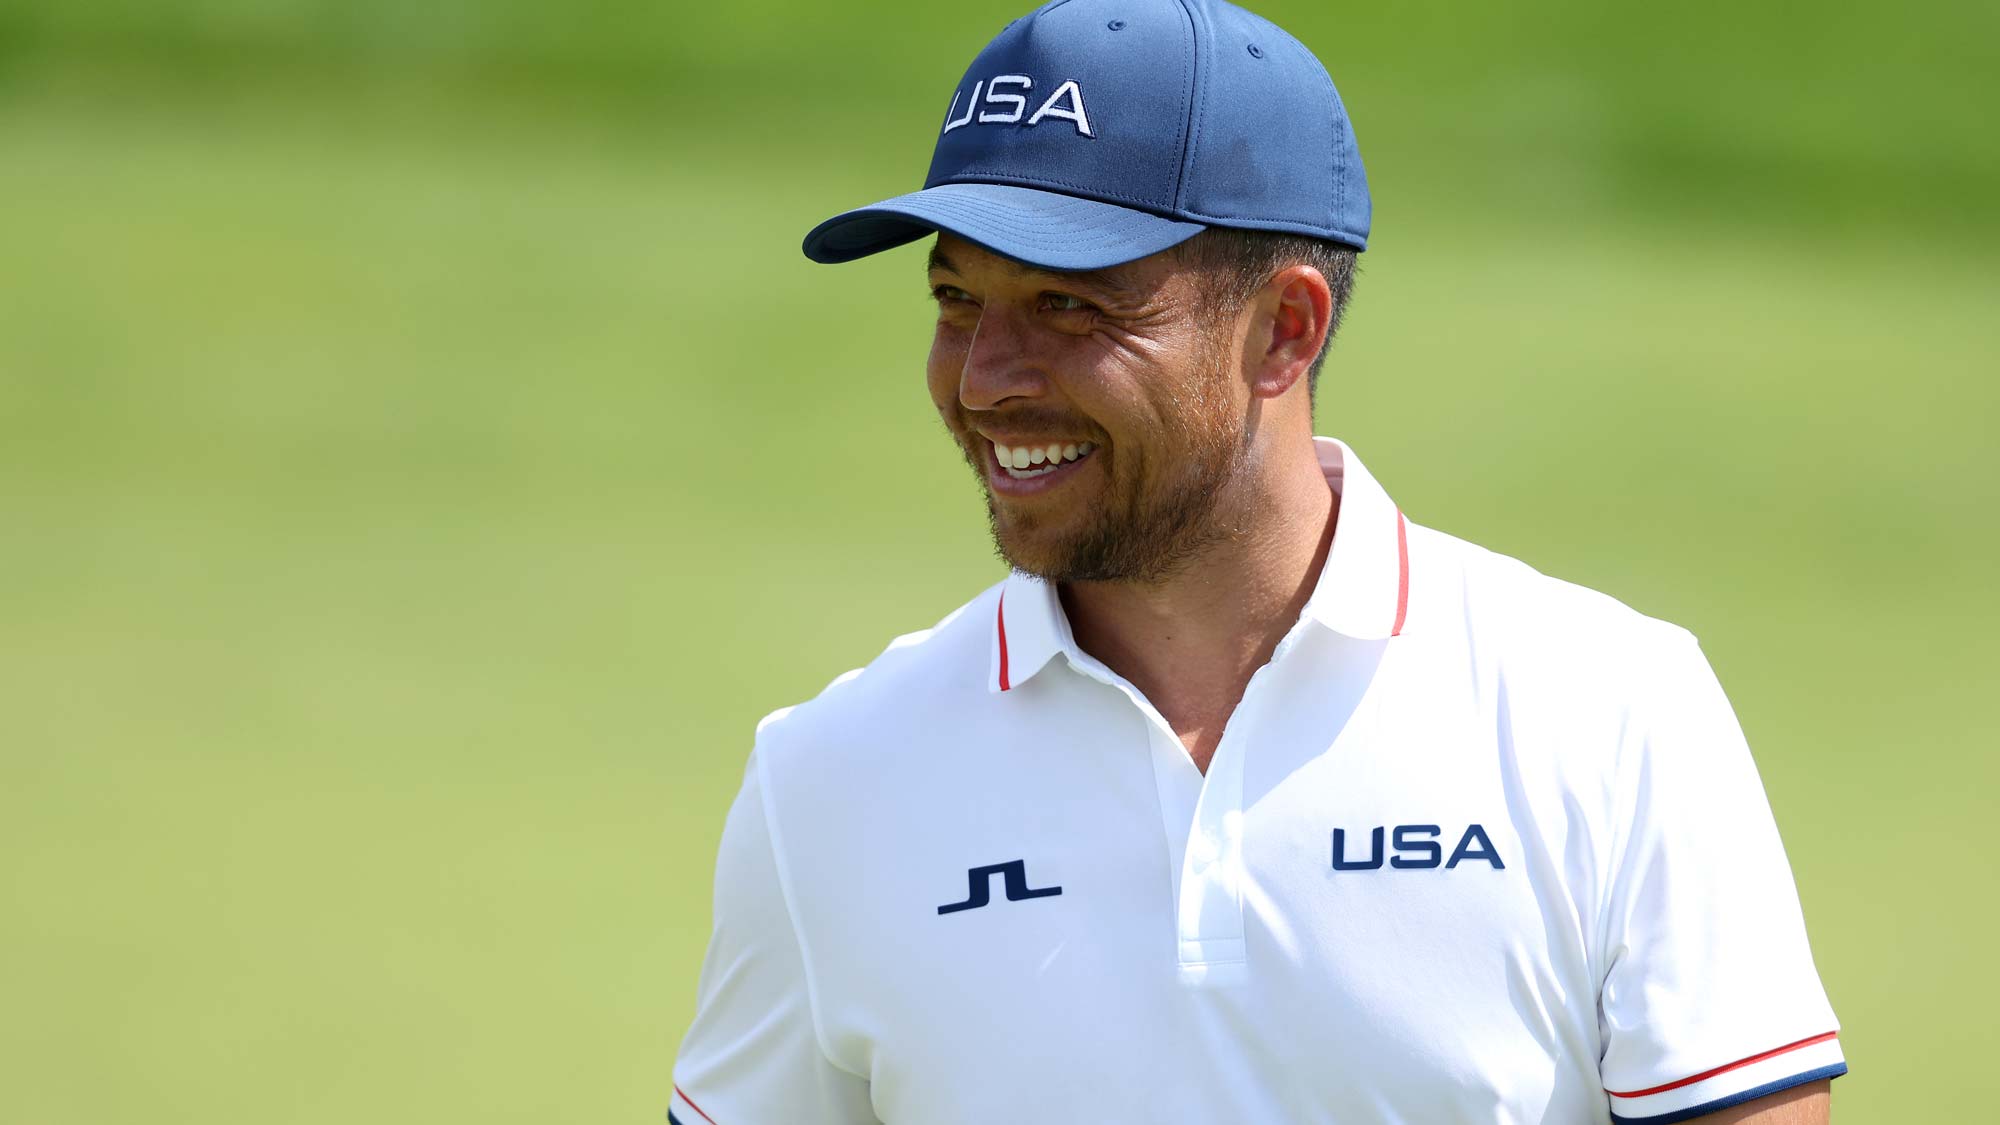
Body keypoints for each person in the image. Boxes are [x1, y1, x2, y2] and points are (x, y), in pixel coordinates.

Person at [669, 0, 1845, 1121]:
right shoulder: (824, 782)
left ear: (1283, 328)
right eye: (955, 300)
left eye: (1069, 309)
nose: (983, 379)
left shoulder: (1608, 711)